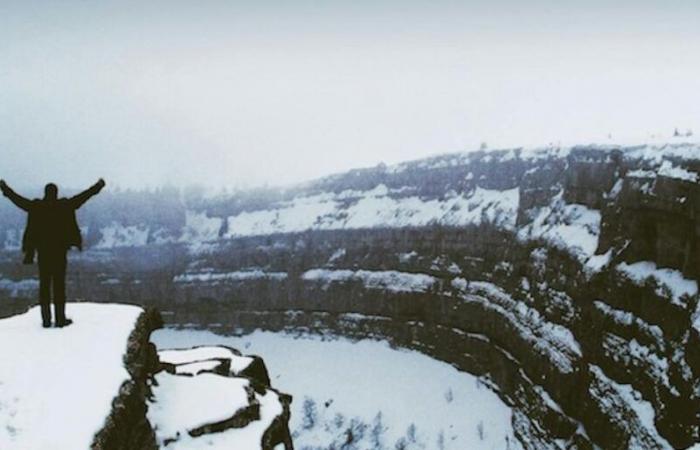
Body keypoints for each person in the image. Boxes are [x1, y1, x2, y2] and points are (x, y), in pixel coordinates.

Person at [0, 179, 106, 328]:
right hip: (59, 252)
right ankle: (60, 319)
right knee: (59, 286)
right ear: (56, 193)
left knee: (44, 286)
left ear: (45, 193)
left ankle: (46, 320)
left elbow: (17, 200)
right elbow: (84, 196)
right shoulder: (64, 206)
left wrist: (4, 188)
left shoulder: (36, 207)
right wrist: (98, 186)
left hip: (43, 253)